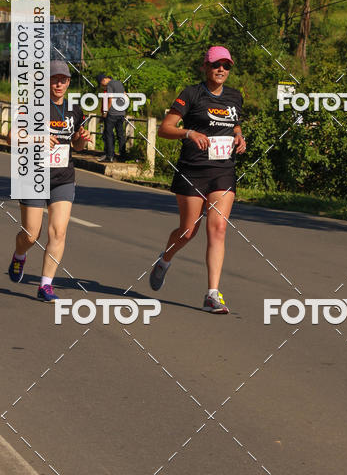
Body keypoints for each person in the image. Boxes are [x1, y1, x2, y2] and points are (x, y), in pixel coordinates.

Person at [149, 46, 246, 313]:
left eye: (226, 65)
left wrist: (239, 136)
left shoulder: (235, 97)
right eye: (216, 65)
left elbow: (234, 124)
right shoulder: (191, 94)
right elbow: (165, 129)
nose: (221, 70)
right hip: (192, 170)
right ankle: (165, 259)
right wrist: (188, 133)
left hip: (223, 170)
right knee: (188, 231)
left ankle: (212, 293)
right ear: (205, 66)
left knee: (218, 229)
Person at [7, 60, 91, 302]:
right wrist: (38, 139)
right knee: (31, 235)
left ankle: (45, 285)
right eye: (54, 79)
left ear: (68, 82)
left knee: (59, 232)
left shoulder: (75, 108)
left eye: (63, 79)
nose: (58, 84)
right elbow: (12, 138)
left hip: (63, 177)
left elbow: (76, 143)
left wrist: (82, 139)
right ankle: (19, 255)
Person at [96, 73, 127, 162]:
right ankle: (123, 156)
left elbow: (110, 99)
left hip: (112, 114)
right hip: (121, 113)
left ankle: (109, 156)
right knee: (120, 135)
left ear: (103, 80)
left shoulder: (109, 85)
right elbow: (125, 95)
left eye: (102, 84)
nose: (103, 86)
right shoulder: (119, 83)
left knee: (108, 134)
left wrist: (105, 112)